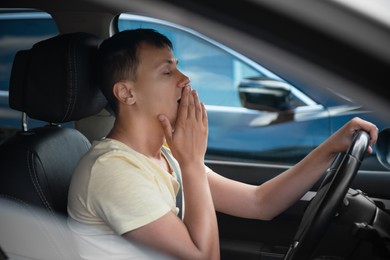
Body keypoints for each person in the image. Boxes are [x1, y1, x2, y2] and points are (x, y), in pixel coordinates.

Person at [67, 28, 379, 260]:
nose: (185, 78)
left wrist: (331, 147)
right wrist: (190, 163)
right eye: (166, 71)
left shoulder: (163, 155)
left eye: (177, 65)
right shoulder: (113, 171)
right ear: (127, 94)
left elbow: (259, 203)